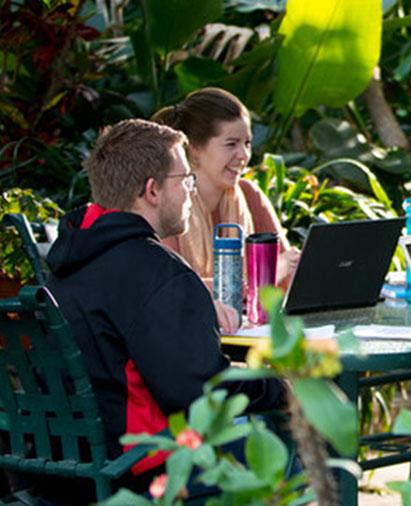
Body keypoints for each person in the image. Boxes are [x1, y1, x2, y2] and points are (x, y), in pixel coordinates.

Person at [45, 119, 286, 500]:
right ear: (152, 190)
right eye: (185, 180)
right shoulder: (157, 272)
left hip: (63, 474)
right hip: (139, 470)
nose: (191, 192)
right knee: (289, 437)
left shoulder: (62, 267)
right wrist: (279, 387)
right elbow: (200, 392)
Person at [152, 87, 299, 290]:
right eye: (231, 144)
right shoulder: (170, 203)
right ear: (194, 148)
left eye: (247, 143)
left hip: (254, 321)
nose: (243, 155)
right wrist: (267, 274)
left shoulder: (250, 194)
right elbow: (175, 288)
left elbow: (291, 271)